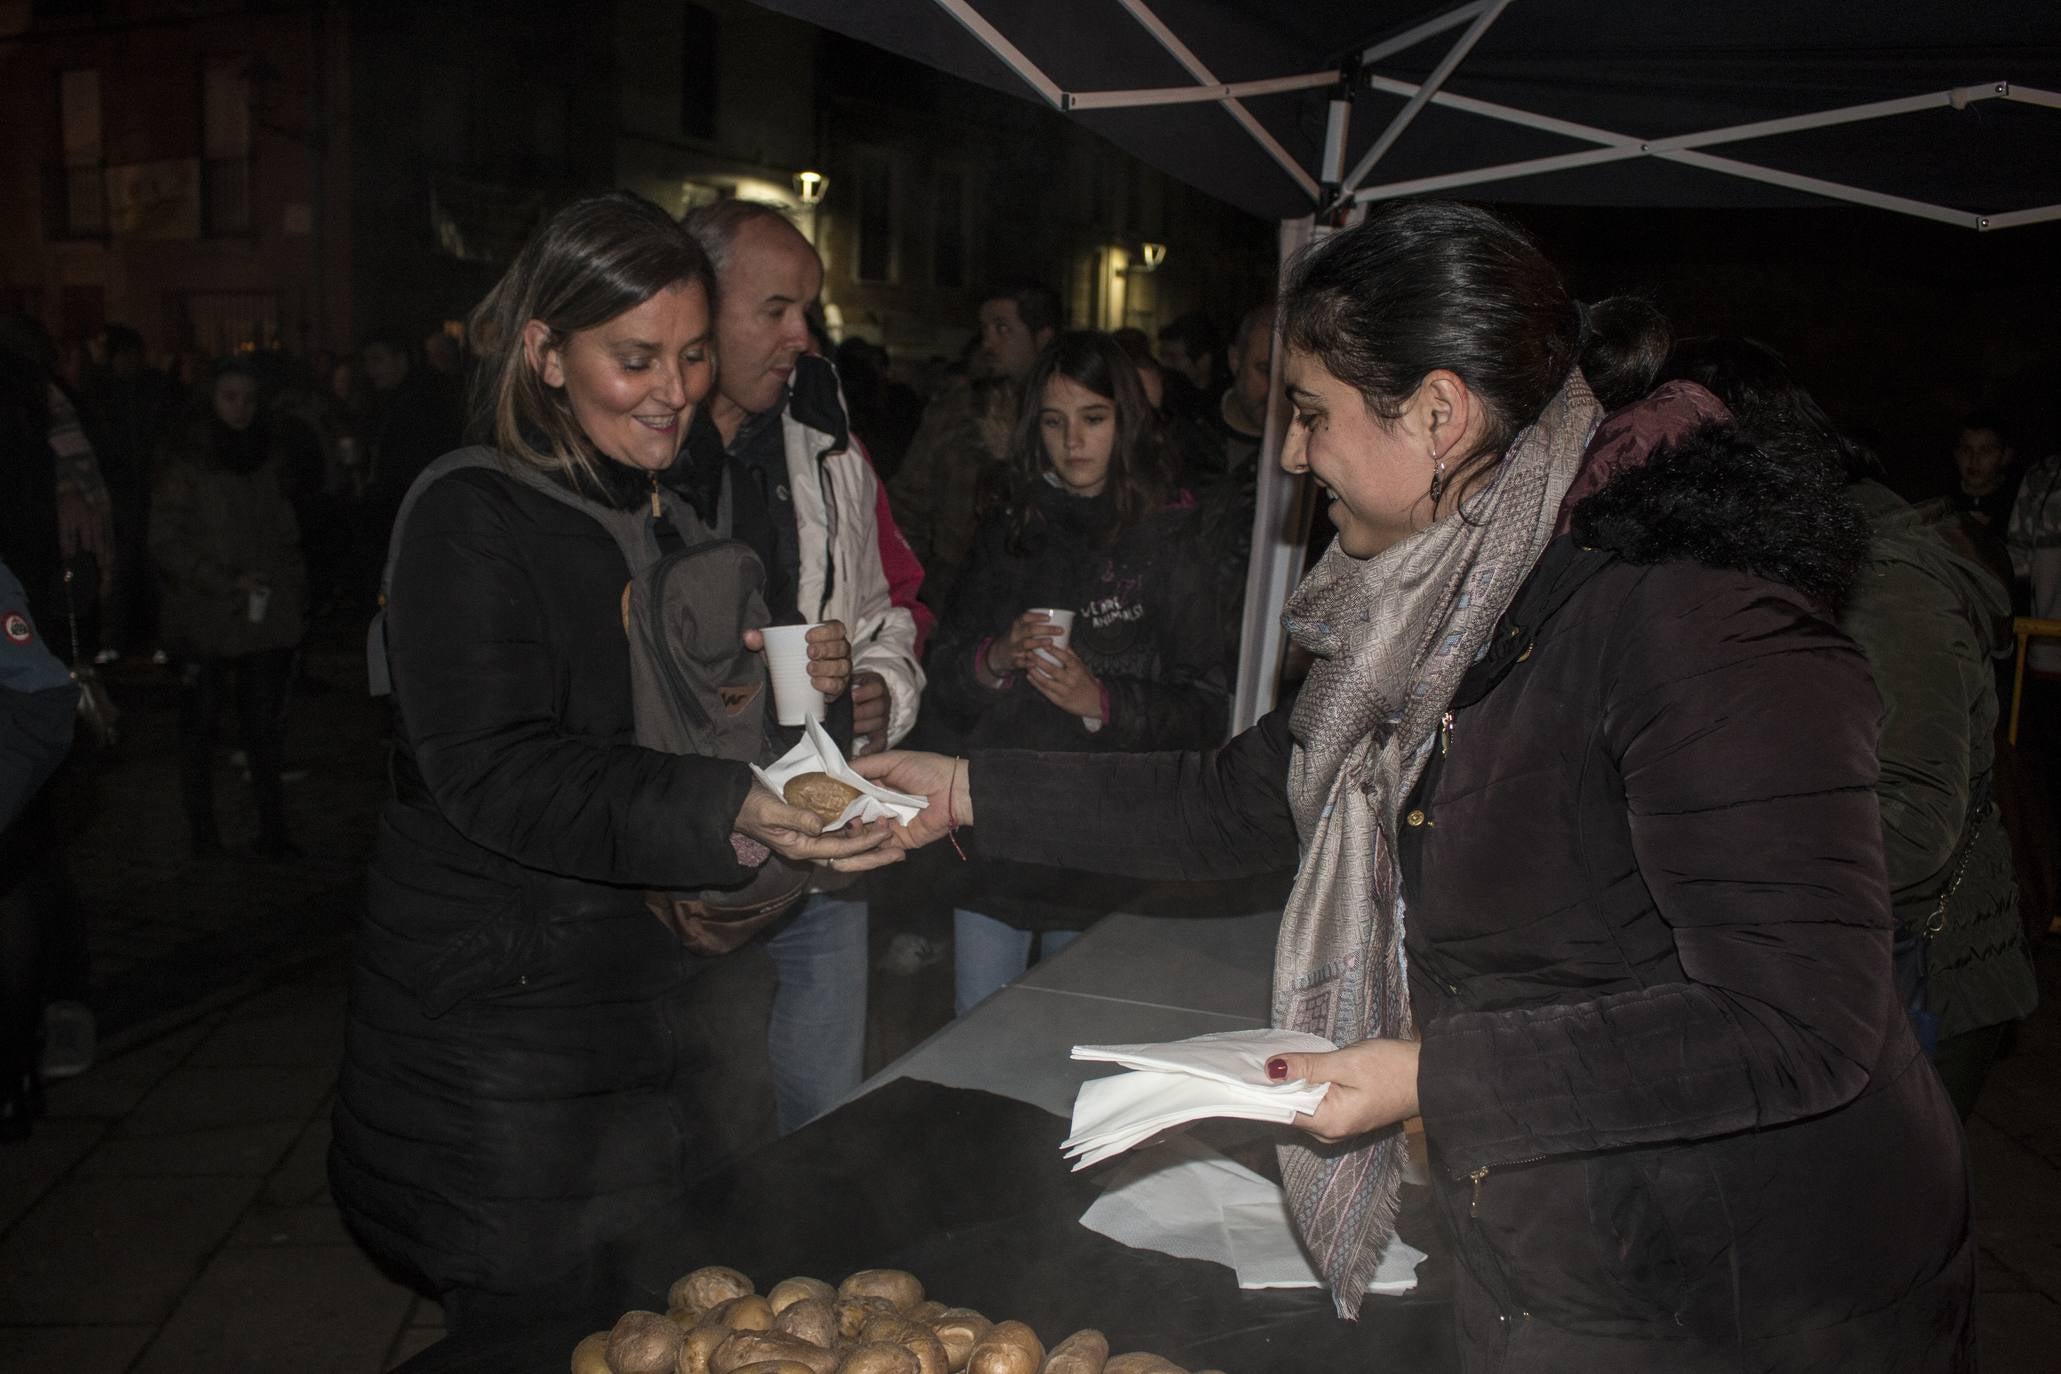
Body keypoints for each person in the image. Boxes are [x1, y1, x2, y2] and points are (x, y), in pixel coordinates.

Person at [860, 201, 1972, 1368]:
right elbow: (1239, 798)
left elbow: (1797, 1023)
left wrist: (1429, 1075)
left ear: (1439, 413)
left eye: (1312, 414)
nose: (1288, 455)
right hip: (1561, 1242)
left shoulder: (1698, 616)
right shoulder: (1421, 608)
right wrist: (965, 790)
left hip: (1757, 1287)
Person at [328, 193, 896, 1329]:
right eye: (635, 358)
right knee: (536, 1327)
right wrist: (731, 801)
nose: (674, 391)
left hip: (662, 1033)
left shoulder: (677, 527)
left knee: (660, 1316)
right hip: (508, 1037)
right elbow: (495, 770)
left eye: (690, 356)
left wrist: (814, 717)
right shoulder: (469, 516)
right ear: (545, 352)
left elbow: (708, 754)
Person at [1670, 336, 2037, 1119]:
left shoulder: (1882, 574)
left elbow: (1911, 827)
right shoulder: (1791, 557)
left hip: (1920, 973)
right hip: (1844, 962)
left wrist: (1719, 853)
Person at [680, 199, 927, 1135]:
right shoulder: (643, 450)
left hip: (822, 842)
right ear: (696, 306)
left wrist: (879, 689)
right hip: (686, 856)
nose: (804, 336)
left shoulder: (830, 446)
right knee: (700, 1115)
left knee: (822, 1115)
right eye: (776, 310)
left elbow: (882, 614)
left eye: (810, 311)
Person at [924, 331, 1226, 1013]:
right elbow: (942, 676)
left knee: (1069, 1048)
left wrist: (1101, 700)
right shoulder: (1010, 522)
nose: (1074, 442)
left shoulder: (1168, 532)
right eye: (1055, 423)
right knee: (979, 1038)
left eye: (1093, 419)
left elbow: (1206, 703)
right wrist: (994, 659)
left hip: (1105, 842)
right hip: (999, 833)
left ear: (1126, 420)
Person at [149, 359, 308, 859]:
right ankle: (204, 833)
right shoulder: (186, 464)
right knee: (201, 727)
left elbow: (285, 533)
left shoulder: (267, 457)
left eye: (248, 398)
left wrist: (290, 591)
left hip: (264, 612)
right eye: (229, 397)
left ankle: (273, 829)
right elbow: (166, 539)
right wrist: (219, 580)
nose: (240, 409)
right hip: (206, 614)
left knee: (264, 727)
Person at [890, 279, 1061, 610]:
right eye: (985, 329)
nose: (989, 342)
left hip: (1041, 594)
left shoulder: (1066, 415)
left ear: (1042, 339)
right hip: (954, 594)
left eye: (1003, 329)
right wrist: (914, 591)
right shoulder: (957, 410)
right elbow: (909, 503)